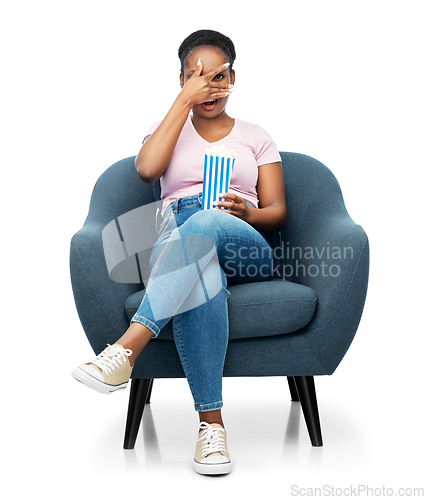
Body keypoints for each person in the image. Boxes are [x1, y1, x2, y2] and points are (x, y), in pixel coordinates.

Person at [72, 29, 287, 475]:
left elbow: (278, 211)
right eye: (195, 77)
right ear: (182, 81)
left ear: (233, 76)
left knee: (204, 221)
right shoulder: (168, 125)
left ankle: (127, 349)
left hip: (245, 244)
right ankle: (212, 428)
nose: (208, 86)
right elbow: (147, 168)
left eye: (217, 75)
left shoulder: (257, 136)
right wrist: (182, 103)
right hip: (182, 244)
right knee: (200, 273)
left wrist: (247, 213)